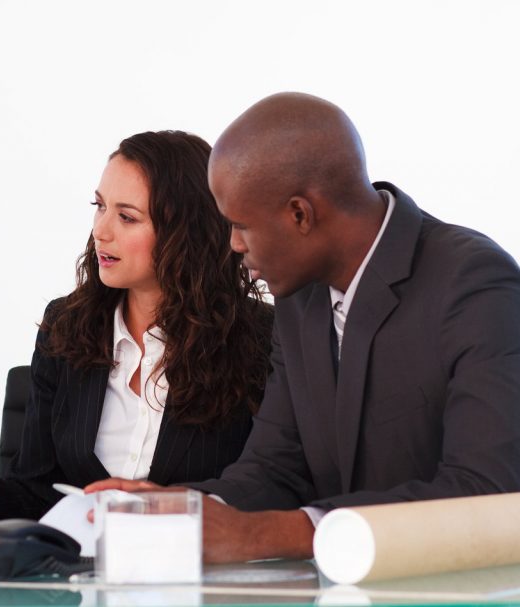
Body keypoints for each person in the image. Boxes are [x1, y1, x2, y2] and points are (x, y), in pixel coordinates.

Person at [89, 92, 520, 562]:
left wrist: (268, 536)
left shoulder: (473, 283)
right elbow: (276, 469)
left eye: (241, 225)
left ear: (300, 214)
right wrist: (187, 508)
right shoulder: (299, 298)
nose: (232, 244)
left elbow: (488, 491)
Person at [0, 131, 273, 523]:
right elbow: (36, 492)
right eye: (100, 206)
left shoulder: (261, 339)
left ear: (188, 233)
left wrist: (172, 508)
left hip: (204, 575)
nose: (101, 231)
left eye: (127, 217)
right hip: (83, 575)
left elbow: (269, 488)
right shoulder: (66, 328)